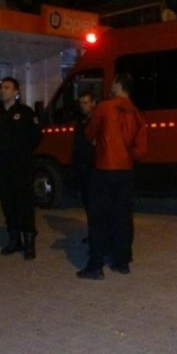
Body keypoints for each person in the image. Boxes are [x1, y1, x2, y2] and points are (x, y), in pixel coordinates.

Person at [77, 72, 147, 280]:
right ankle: (122, 261)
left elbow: (89, 133)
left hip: (104, 168)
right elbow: (141, 150)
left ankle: (96, 265)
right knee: (123, 217)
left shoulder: (105, 107)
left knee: (98, 217)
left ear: (118, 85)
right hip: (126, 171)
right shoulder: (137, 113)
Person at [0, 76, 42, 260]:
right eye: (1, 87)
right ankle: (14, 239)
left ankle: (29, 242)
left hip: (21, 166)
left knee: (25, 204)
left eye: (7, 87)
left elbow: (36, 137)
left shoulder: (25, 112)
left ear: (16, 92)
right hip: (3, 167)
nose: (2, 90)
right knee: (8, 203)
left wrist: (22, 152)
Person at [72, 90, 96, 243]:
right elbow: (77, 146)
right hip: (84, 168)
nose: (83, 106)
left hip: (95, 169)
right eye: (81, 103)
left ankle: (97, 235)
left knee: (95, 204)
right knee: (88, 203)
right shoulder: (81, 122)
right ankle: (93, 233)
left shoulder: (97, 121)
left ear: (93, 103)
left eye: (86, 103)